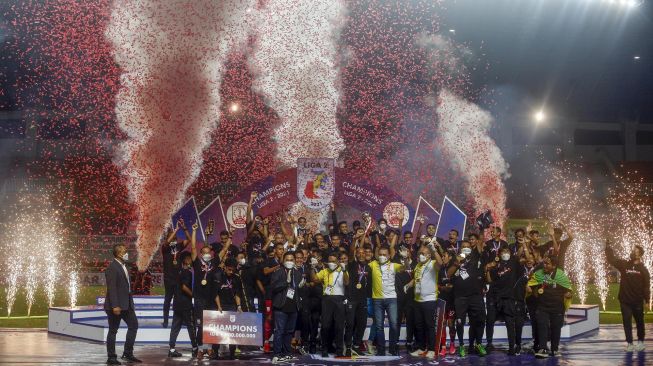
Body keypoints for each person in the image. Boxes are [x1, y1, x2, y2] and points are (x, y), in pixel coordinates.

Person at [605, 240, 650, 352]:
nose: (633, 252)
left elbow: (646, 287)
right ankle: (630, 343)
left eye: (636, 250)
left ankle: (640, 342)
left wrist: (647, 301)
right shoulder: (624, 264)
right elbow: (611, 259)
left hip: (638, 301)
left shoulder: (644, 270)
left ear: (639, 254)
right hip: (625, 300)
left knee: (640, 322)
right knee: (627, 322)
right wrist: (608, 247)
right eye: (633, 250)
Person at [448, 237, 487, 358]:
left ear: (472, 248)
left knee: (479, 321)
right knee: (460, 322)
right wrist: (457, 263)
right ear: (460, 249)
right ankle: (460, 346)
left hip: (476, 295)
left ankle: (478, 344)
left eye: (468, 247)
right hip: (460, 296)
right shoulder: (454, 259)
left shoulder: (477, 257)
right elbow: (449, 274)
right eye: (464, 247)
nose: (466, 248)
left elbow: (480, 242)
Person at [528, 256, 572, 358]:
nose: (545, 265)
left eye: (547, 264)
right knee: (542, 326)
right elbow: (530, 284)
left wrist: (568, 294)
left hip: (557, 307)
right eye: (544, 263)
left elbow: (568, 289)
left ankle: (554, 349)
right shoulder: (539, 274)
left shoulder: (561, 275)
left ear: (554, 265)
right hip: (542, 306)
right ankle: (542, 348)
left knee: (556, 328)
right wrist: (528, 287)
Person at [104, 243, 141, 365]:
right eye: (124, 251)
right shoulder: (112, 267)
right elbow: (112, 288)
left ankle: (128, 353)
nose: (126, 253)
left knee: (134, 325)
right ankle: (111, 357)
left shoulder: (125, 266)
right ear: (119, 253)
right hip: (116, 306)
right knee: (113, 330)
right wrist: (115, 305)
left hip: (127, 305)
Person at [190, 223, 219, 359]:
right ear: (201, 254)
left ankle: (209, 348)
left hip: (211, 299)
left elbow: (224, 250)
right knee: (200, 325)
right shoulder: (196, 263)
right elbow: (194, 246)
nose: (207, 254)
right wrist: (194, 231)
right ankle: (201, 349)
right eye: (205, 253)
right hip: (199, 299)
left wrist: (230, 236)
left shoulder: (213, 263)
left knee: (211, 325)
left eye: (209, 253)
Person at [311, 253, 350, 357]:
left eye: (333, 261)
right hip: (327, 300)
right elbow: (315, 280)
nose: (331, 263)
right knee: (325, 325)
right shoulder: (324, 271)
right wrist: (312, 268)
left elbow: (346, 283)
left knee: (339, 326)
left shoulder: (342, 270)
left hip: (339, 299)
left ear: (338, 262)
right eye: (329, 261)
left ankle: (339, 350)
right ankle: (324, 349)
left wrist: (344, 270)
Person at [485, 245, 521, 355]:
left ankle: (511, 347)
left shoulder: (514, 263)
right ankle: (489, 343)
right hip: (494, 297)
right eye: (503, 252)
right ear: (499, 254)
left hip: (508, 298)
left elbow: (519, 254)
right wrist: (487, 270)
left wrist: (523, 244)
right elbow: (490, 280)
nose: (506, 253)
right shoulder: (495, 266)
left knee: (510, 323)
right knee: (490, 321)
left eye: (507, 252)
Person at [409, 244, 443, 359]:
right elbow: (417, 279)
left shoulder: (432, 263)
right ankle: (421, 348)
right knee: (419, 325)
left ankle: (432, 349)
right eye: (419, 253)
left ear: (429, 255)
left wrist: (434, 250)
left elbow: (440, 263)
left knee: (429, 325)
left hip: (429, 299)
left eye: (423, 253)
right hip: (417, 300)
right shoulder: (418, 265)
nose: (420, 255)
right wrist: (409, 284)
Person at [369, 243, 402, 356]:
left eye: (384, 254)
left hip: (391, 299)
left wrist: (406, 258)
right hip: (377, 300)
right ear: (377, 255)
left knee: (393, 324)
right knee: (379, 326)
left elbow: (405, 268)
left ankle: (392, 348)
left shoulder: (394, 265)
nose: (382, 256)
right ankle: (381, 350)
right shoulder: (373, 264)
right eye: (380, 254)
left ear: (389, 256)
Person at [271, 251, 303, 363]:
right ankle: (277, 354)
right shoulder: (278, 272)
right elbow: (273, 288)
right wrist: (286, 282)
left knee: (289, 332)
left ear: (294, 261)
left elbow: (298, 290)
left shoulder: (298, 273)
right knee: (279, 331)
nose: (289, 262)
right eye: (287, 260)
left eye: (291, 260)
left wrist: (302, 286)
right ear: (283, 261)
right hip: (281, 306)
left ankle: (287, 353)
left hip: (293, 307)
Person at [167, 252, 198, 358]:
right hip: (185, 304)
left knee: (175, 327)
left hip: (177, 303)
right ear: (187, 260)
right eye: (190, 259)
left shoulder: (177, 272)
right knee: (191, 326)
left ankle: (171, 349)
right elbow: (184, 287)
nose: (192, 261)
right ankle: (195, 348)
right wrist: (193, 295)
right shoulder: (187, 272)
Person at [161, 220, 190, 328]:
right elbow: (166, 242)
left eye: (174, 237)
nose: (173, 238)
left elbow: (189, 240)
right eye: (171, 237)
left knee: (178, 300)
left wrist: (184, 228)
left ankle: (179, 320)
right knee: (167, 300)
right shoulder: (165, 248)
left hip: (178, 278)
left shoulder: (178, 247)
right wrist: (176, 230)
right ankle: (165, 320)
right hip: (168, 278)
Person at [345, 245, 371, 356]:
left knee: (362, 323)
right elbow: (350, 254)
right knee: (350, 324)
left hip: (363, 300)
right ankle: (348, 347)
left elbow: (369, 284)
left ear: (366, 255)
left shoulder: (368, 268)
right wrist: (355, 241)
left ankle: (356, 346)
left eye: (363, 253)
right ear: (356, 255)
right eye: (358, 253)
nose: (361, 254)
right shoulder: (352, 265)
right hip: (352, 299)